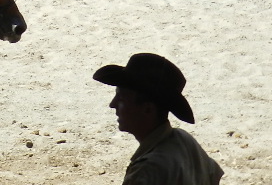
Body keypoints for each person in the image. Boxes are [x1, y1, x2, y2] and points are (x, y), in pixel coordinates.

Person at [94, 52, 223, 185]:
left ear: (147, 109)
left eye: (121, 98)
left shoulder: (147, 171)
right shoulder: (185, 140)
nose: (112, 104)